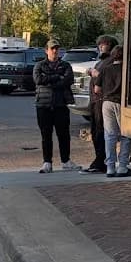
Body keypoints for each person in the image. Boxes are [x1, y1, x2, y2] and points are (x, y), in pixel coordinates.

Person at [34, 39, 78, 173]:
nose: (55, 51)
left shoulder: (65, 65)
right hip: (43, 104)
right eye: (52, 48)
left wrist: (51, 80)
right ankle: (47, 162)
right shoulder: (40, 65)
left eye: (56, 49)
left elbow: (68, 80)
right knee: (46, 135)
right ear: (46, 50)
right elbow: (38, 80)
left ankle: (66, 161)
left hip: (61, 105)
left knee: (63, 134)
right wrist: (56, 77)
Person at [96, 45, 131, 177]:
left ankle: (110, 167)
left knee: (110, 135)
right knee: (126, 135)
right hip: (122, 103)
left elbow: (97, 89)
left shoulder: (105, 69)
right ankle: (123, 166)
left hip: (106, 102)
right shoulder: (128, 70)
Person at [84, 35, 117, 173]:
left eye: (104, 44)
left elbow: (105, 79)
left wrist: (94, 73)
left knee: (102, 132)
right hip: (94, 101)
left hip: (102, 101)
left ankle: (101, 161)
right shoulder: (100, 62)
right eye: (100, 44)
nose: (101, 46)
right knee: (95, 131)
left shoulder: (111, 62)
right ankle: (98, 159)